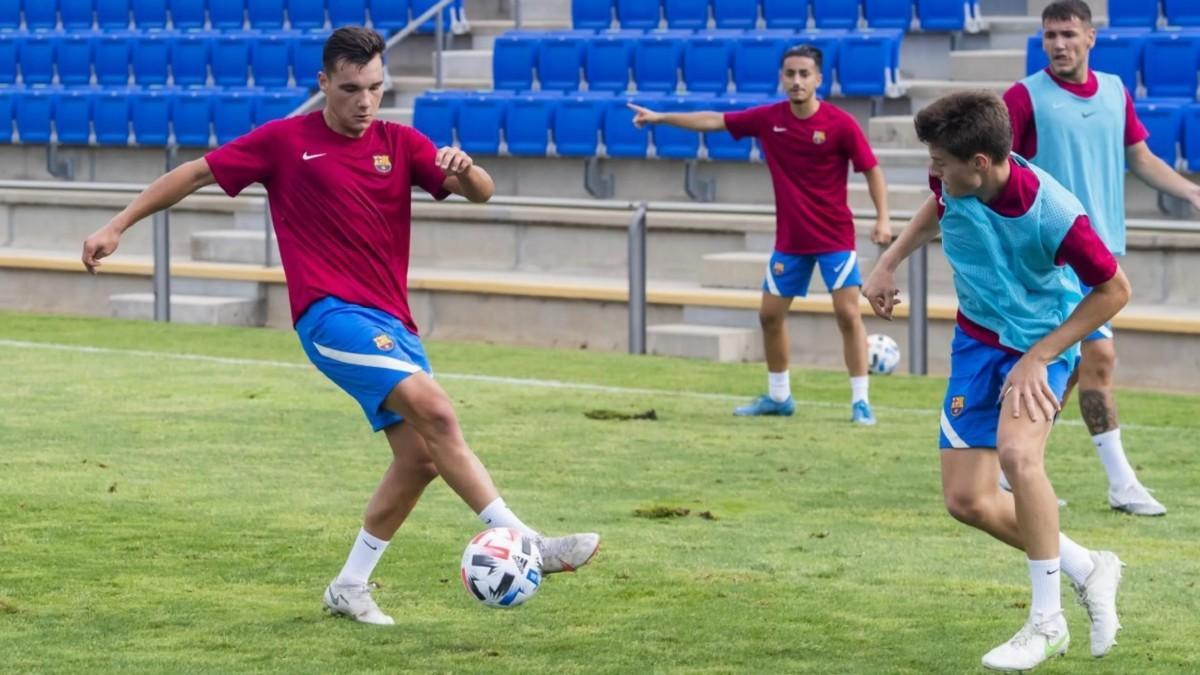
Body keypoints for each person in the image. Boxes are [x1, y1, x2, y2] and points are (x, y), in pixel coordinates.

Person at [80, 27, 600, 626]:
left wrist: (468, 168)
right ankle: (528, 541)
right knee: (438, 412)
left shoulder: (399, 142)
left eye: (376, 88)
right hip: (330, 316)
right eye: (351, 88)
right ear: (324, 82)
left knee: (420, 460)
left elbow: (478, 193)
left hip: (393, 323)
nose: (365, 101)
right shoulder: (284, 141)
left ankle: (349, 586)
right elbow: (196, 173)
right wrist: (118, 225)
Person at [863, 91, 1127, 671]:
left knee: (1017, 456)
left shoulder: (1056, 215)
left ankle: (1047, 623)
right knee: (968, 500)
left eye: (940, 163)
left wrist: (1042, 355)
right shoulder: (953, 182)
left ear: (980, 163)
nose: (933, 174)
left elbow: (1115, 291)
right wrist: (888, 262)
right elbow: (936, 208)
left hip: (1043, 343)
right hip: (977, 341)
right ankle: (1088, 566)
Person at [1002, 0, 1199, 515]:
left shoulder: (1114, 91)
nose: (1059, 44)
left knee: (1062, 369)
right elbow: (995, 170)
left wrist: (1192, 193)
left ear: (1091, 37)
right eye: (1049, 36)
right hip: (1051, 255)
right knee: (1099, 357)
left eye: (1068, 34)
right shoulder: (1023, 97)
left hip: (1101, 252)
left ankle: (1013, 467)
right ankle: (1121, 483)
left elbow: (1141, 157)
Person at [629, 44, 893, 425]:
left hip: (835, 237)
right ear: (782, 78)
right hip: (791, 240)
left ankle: (860, 402)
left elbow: (872, 169)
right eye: (790, 74)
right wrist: (661, 117)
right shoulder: (770, 119)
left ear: (819, 79)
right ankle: (779, 396)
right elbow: (713, 120)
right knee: (769, 316)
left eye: (804, 74)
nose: (797, 81)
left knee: (847, 314)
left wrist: (883, 218)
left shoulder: (840, 124)